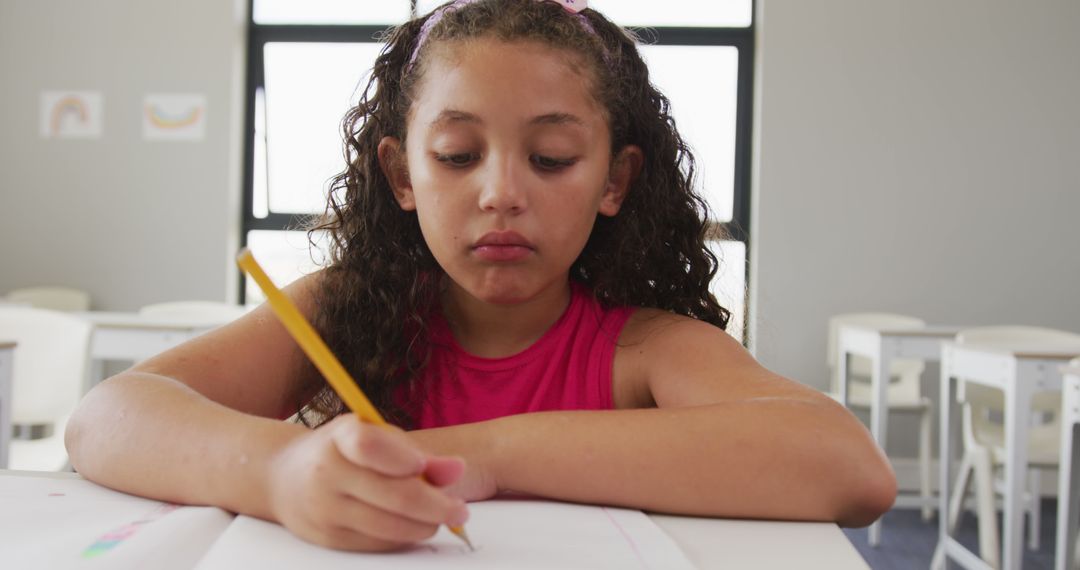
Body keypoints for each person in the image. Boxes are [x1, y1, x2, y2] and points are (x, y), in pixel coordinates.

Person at [66, 0, 896, 553]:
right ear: (400, 175)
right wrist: (282, 473)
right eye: (458, 156)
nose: (501, 193)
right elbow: (105, 420)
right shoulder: (344, 313)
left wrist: (480, 455)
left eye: (552, 158)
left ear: (614, 180)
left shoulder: (643, 348)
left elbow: (850, 470)